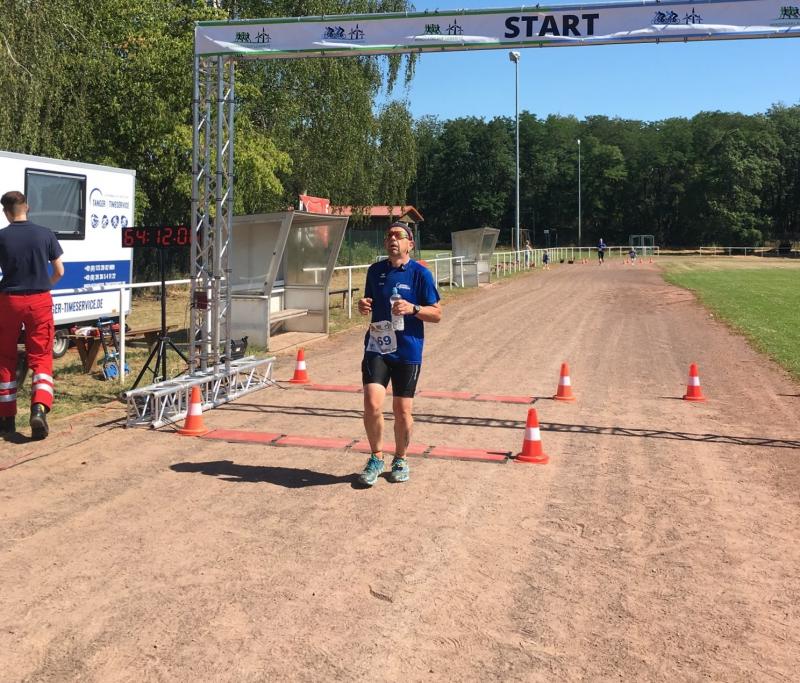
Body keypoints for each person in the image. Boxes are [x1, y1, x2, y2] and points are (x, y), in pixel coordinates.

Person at [356, 221, 441, 486]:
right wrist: (363, 305)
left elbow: (437, 313)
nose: (392, 239)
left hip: (407, 350)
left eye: (399, 235)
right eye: (389, 235)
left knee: (402, 410)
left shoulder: (420, 274)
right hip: (378, 346)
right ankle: (376, 457)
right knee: (372, 403)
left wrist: (414, 309)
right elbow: (369, 301)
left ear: (410, 244)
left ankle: (401, 458)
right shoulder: (375, 271)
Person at [0, 191, 64, 439]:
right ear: (26, 207)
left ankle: (6, 419)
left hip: (9, 301)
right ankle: (39, 408)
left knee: (5, 358)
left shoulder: (2, 236)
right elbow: (59, 271)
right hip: (39, 300)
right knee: (41, 356)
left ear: (6, 212)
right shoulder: (45, 234)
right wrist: (44, 285)